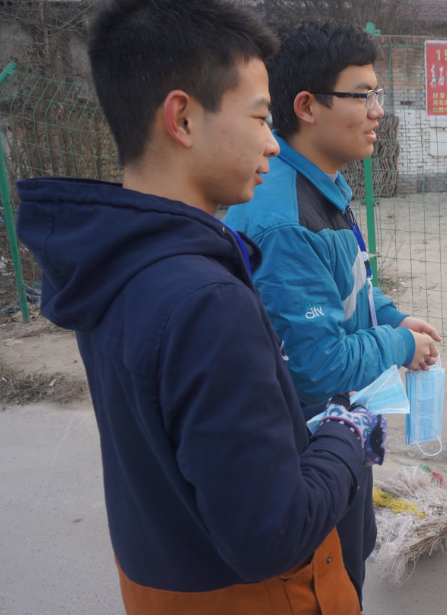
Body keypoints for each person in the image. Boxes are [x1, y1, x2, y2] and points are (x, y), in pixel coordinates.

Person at [15, 1, 384, 613]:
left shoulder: (108, 265)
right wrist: (347, 435)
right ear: (182, 118)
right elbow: (272, 535)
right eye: (260, 117)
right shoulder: (208, 302)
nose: (272, 144)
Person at [224, 19, 441, 603]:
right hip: (306, 446)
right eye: (362, 95)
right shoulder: (285, 219)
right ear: (307, 107)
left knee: (354, 550)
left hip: (341, 430)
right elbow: (315, 364)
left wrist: (392, 318)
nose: (378, 111)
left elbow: (350, 283)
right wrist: (401, 346)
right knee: (329, 581)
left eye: (378, 94)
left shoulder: (321, 186)